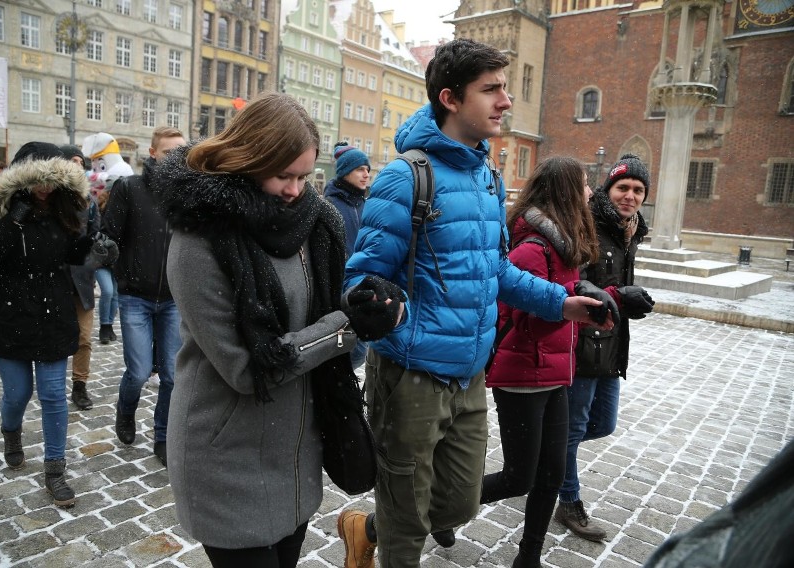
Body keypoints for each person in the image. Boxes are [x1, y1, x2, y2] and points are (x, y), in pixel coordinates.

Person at [336, 38, 617, 568]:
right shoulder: (405, 178)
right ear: (450, 98)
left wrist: (563, 303)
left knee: (459, 502)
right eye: (491, 90)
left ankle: (363, 526)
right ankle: (380, 537)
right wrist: (395, 318)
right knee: (405, 518)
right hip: (411, 375)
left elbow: (496, 270)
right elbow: (363, 281)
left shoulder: (486, 177)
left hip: (468, 375)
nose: (505, 101)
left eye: (505, 88)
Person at [153, 92, 399, 568]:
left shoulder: (314, 221)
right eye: (283, 175)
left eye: (305, 176)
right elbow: (247, 369)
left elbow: (318, 308)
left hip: (296, 446)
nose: (295, 189)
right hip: (226, 452)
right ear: (246, 161)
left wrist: (364, 302)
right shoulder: (200, 237)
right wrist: (346, 328)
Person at [0, 141, 103, 508]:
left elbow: (70, 255)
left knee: (54, 395)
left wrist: (94, 248)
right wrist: (14, 221)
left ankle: (55, 470)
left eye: (51, 182)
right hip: (6, 315)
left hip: (52, 313)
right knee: (17, 394)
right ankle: (11, 433)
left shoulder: (64, 208)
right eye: (38, 181)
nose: (45, 189)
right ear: (21, 178)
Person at [479, 157, 599, 568]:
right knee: (518, 477)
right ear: (567, 192)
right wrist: (573, 306)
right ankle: (438, 509)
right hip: (522, 377)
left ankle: (527, 557)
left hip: (555, 375)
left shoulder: (567, 248)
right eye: (584, 185)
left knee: (551, 474)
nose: (590, 193)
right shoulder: (534, 248)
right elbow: (521, 322)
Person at [555, 153, 655, 541]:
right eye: (623, 188)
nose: (630, 196)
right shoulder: (588, 225)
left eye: (638, 190)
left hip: (611, 343)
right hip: (583, 343)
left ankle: (547, 462)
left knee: (602, 424)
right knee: (575, 427)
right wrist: (616, 296)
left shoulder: (631, 230)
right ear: (608, 189)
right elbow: (576, 282)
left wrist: (628, 301)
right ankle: (568, 500)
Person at [101, 126, 185, 468]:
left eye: (182, 153)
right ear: (153, 153)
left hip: (174, 298)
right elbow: (109, 235)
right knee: (137, 371)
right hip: (135, 295)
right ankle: (125, 412)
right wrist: (117, 268)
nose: (175, 159)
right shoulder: (130, 188)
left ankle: (163, 435)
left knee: (172, 375)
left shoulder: (187, 194)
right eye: (169, 152)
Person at [60, 144, 116, 411]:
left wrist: (95, 260)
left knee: (83, 338)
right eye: (70, 160)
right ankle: (53, 384)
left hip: (81, 281)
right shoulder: (47, 199)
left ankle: (79, 386)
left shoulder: (89, 202)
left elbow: (95, 237)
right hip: (53, 281)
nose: (76, 165)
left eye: (79, 161)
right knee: (56, 339)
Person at [324, 141, 371, 369]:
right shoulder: (329, 205)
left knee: (359, 350)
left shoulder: (366, 205)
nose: (366, 175)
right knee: (343, 352)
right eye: (360, 169)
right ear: (344, 172)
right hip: (337, 290)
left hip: (361, 288)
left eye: (367, 170)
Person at [94, 187, 119, 344]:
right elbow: (94, 231)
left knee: (115, 293)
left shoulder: (123, 208)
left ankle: (109, 325)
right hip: (101, 257)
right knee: (108, 291)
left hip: (117, 258)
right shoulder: (100, 208)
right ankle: (104, 325)